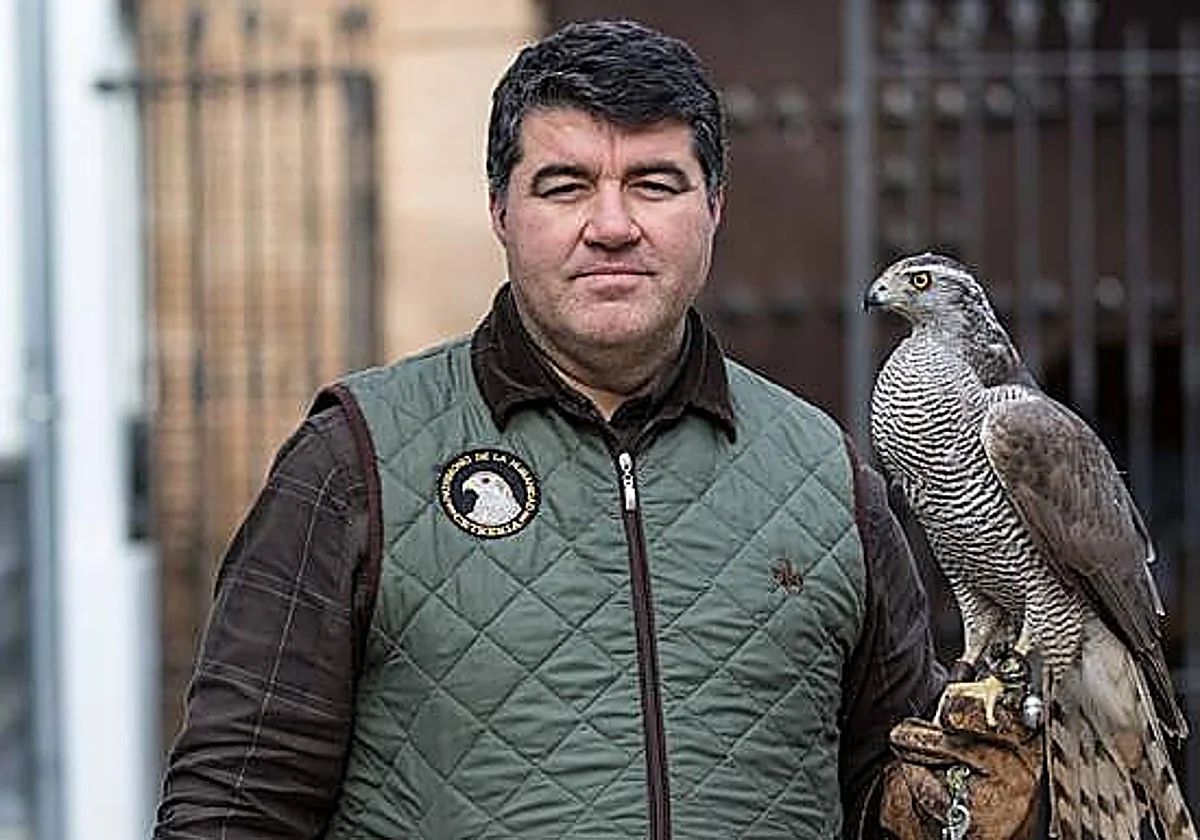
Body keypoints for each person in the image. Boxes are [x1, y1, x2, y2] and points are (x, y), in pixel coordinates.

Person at [154, 18, 953, 839]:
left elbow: (901, 797)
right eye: (565, 185)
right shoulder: (355, 458)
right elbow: (234, 808)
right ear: (500, 209)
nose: (611, 224)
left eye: (655, 183)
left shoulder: (820, 470)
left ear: (713, 209)